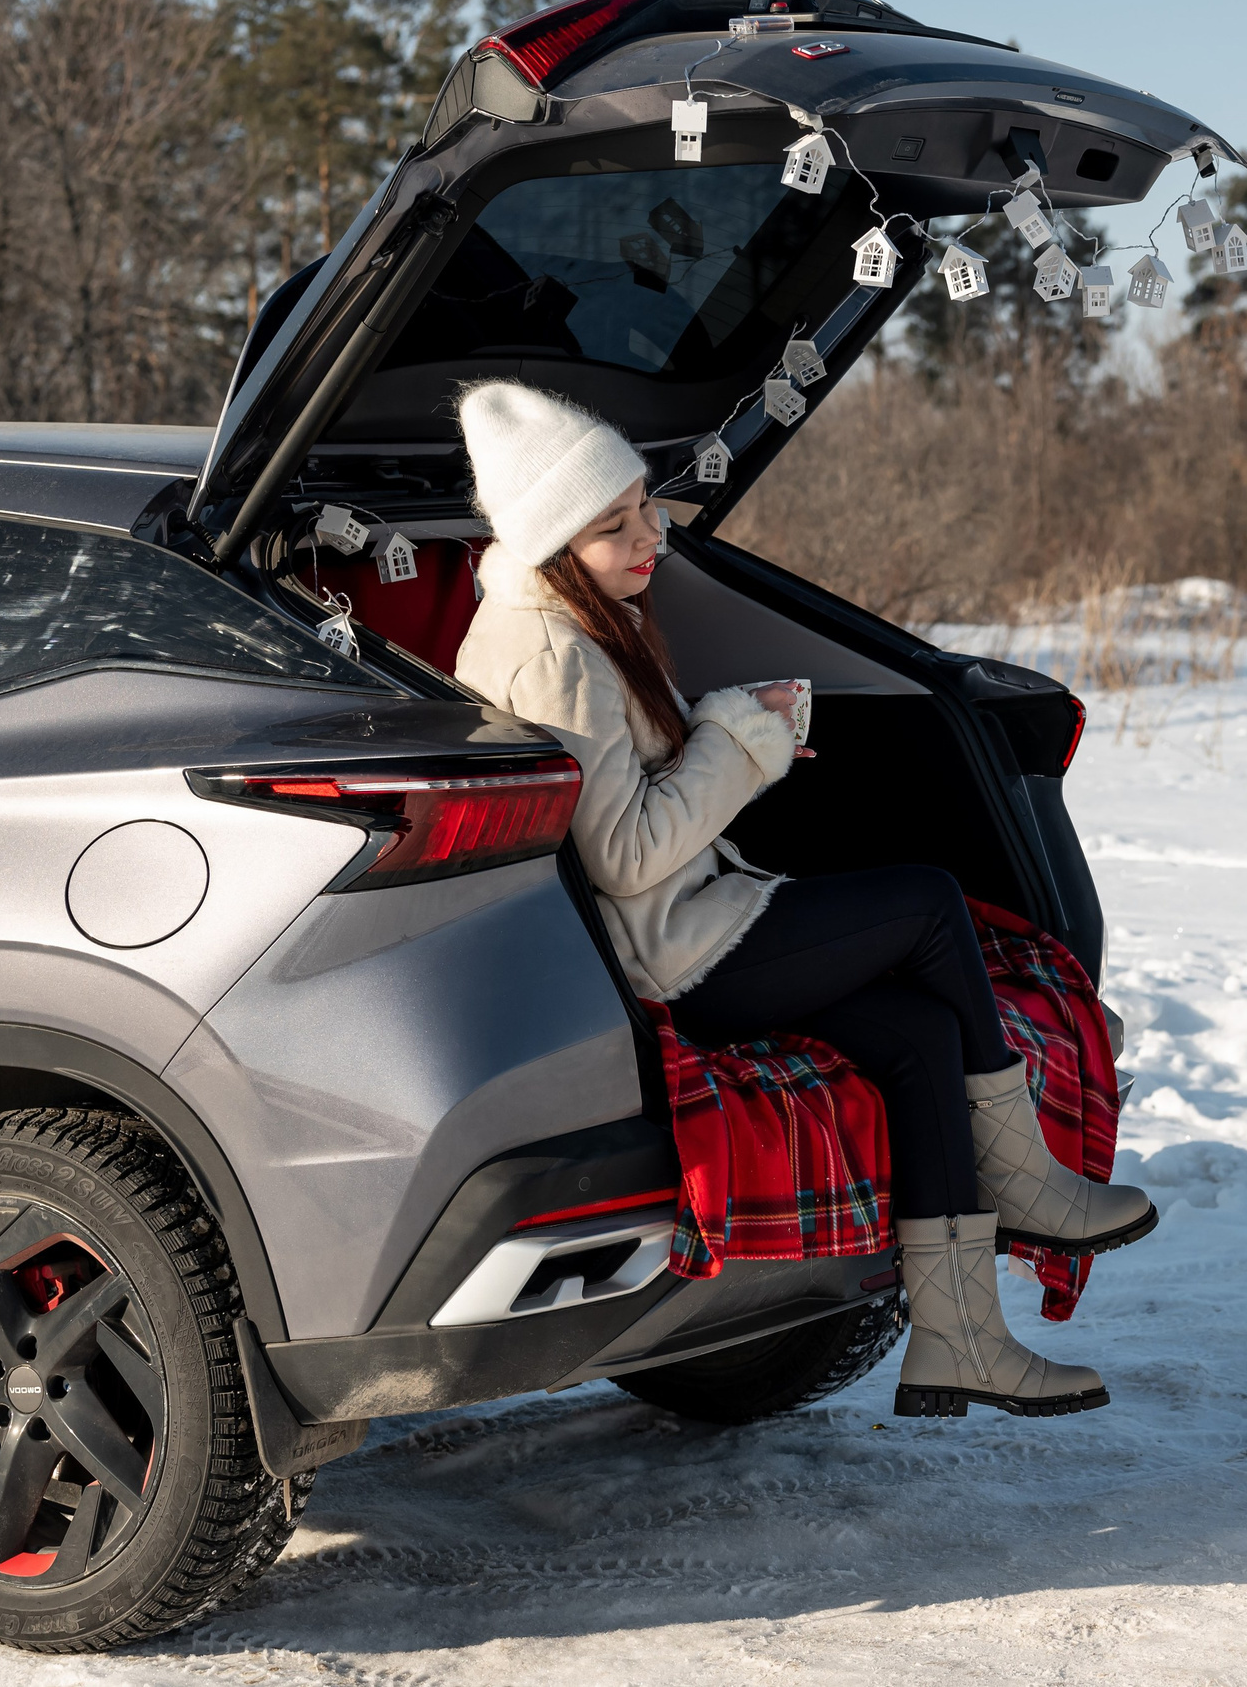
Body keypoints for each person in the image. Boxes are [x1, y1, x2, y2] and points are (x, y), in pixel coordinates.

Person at [450, 380, 1152, 1418]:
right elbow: (631, 853)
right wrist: (737, 743)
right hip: (669, 954)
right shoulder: (552, 653)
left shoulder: (575, 624)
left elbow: (627, 794)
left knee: (917, 1034)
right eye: (614, 526)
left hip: (687, 925)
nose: (652, 537)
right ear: (556, 546)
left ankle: (963, 1341)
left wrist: (733, 724)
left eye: (646, 505)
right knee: (924, 901)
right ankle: (1026, 1180)